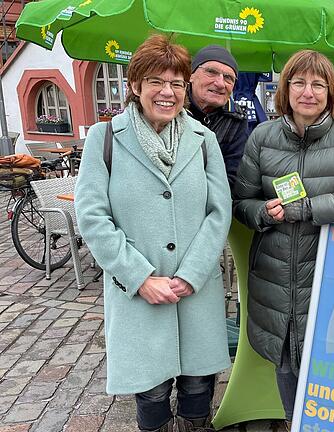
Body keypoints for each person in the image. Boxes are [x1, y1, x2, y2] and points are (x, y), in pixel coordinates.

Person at [74, 35, 232, 432]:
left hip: (195, 287)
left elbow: (219, 211)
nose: (168, 92)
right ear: (135, 86)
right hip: (139, 291)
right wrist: (141, 278)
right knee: (152, 388)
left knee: (199, 383)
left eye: (177, 83)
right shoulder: (104, 138)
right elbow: (93, 216)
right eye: (156, 81)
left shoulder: (203, 140)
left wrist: (191, 274)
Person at [232, 50, 334, 431]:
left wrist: (307, 208)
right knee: (285, 360)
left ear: (330, 91)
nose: (308, 92)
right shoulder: (263, 137)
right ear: (285, 89)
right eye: (299, 83)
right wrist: (262, 213)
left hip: (332, 272)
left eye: (318, 84)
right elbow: (242, 202)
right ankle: (294, 420)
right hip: (275, 274)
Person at [187, 44, 250, 189]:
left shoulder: (236, 118)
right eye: (211, 72)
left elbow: (232, 177)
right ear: (191, 75)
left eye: (228, 78)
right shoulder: (173, 108)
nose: (220, 83)